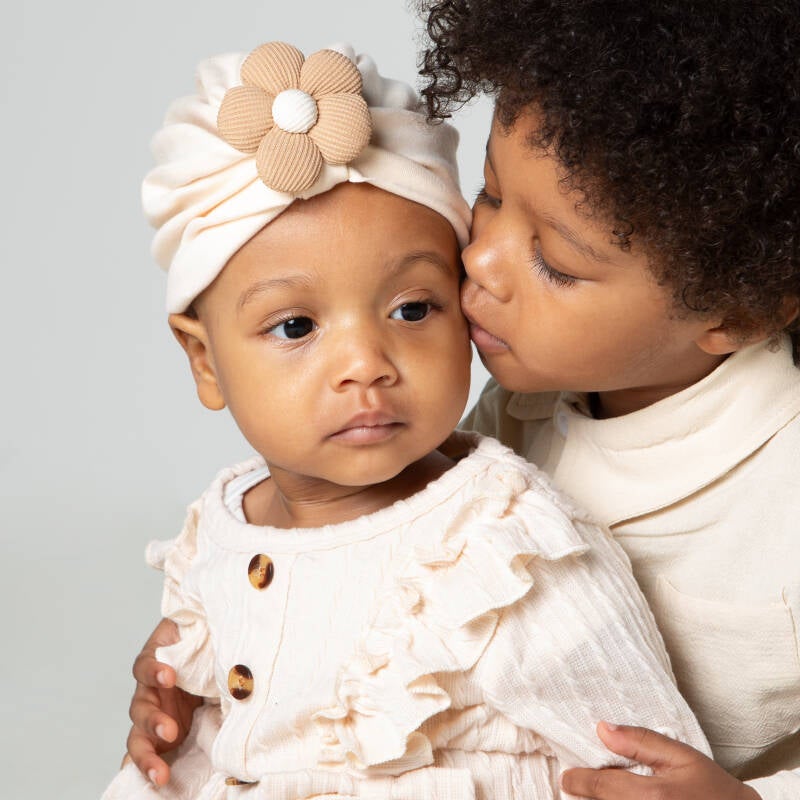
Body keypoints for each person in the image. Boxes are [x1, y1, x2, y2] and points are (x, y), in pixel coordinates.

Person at [125, 3, 800, 800]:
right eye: (487, 195)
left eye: (553, 261)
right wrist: (219, 670)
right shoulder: (511, 422)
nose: (477, 259)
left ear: (739, 313)